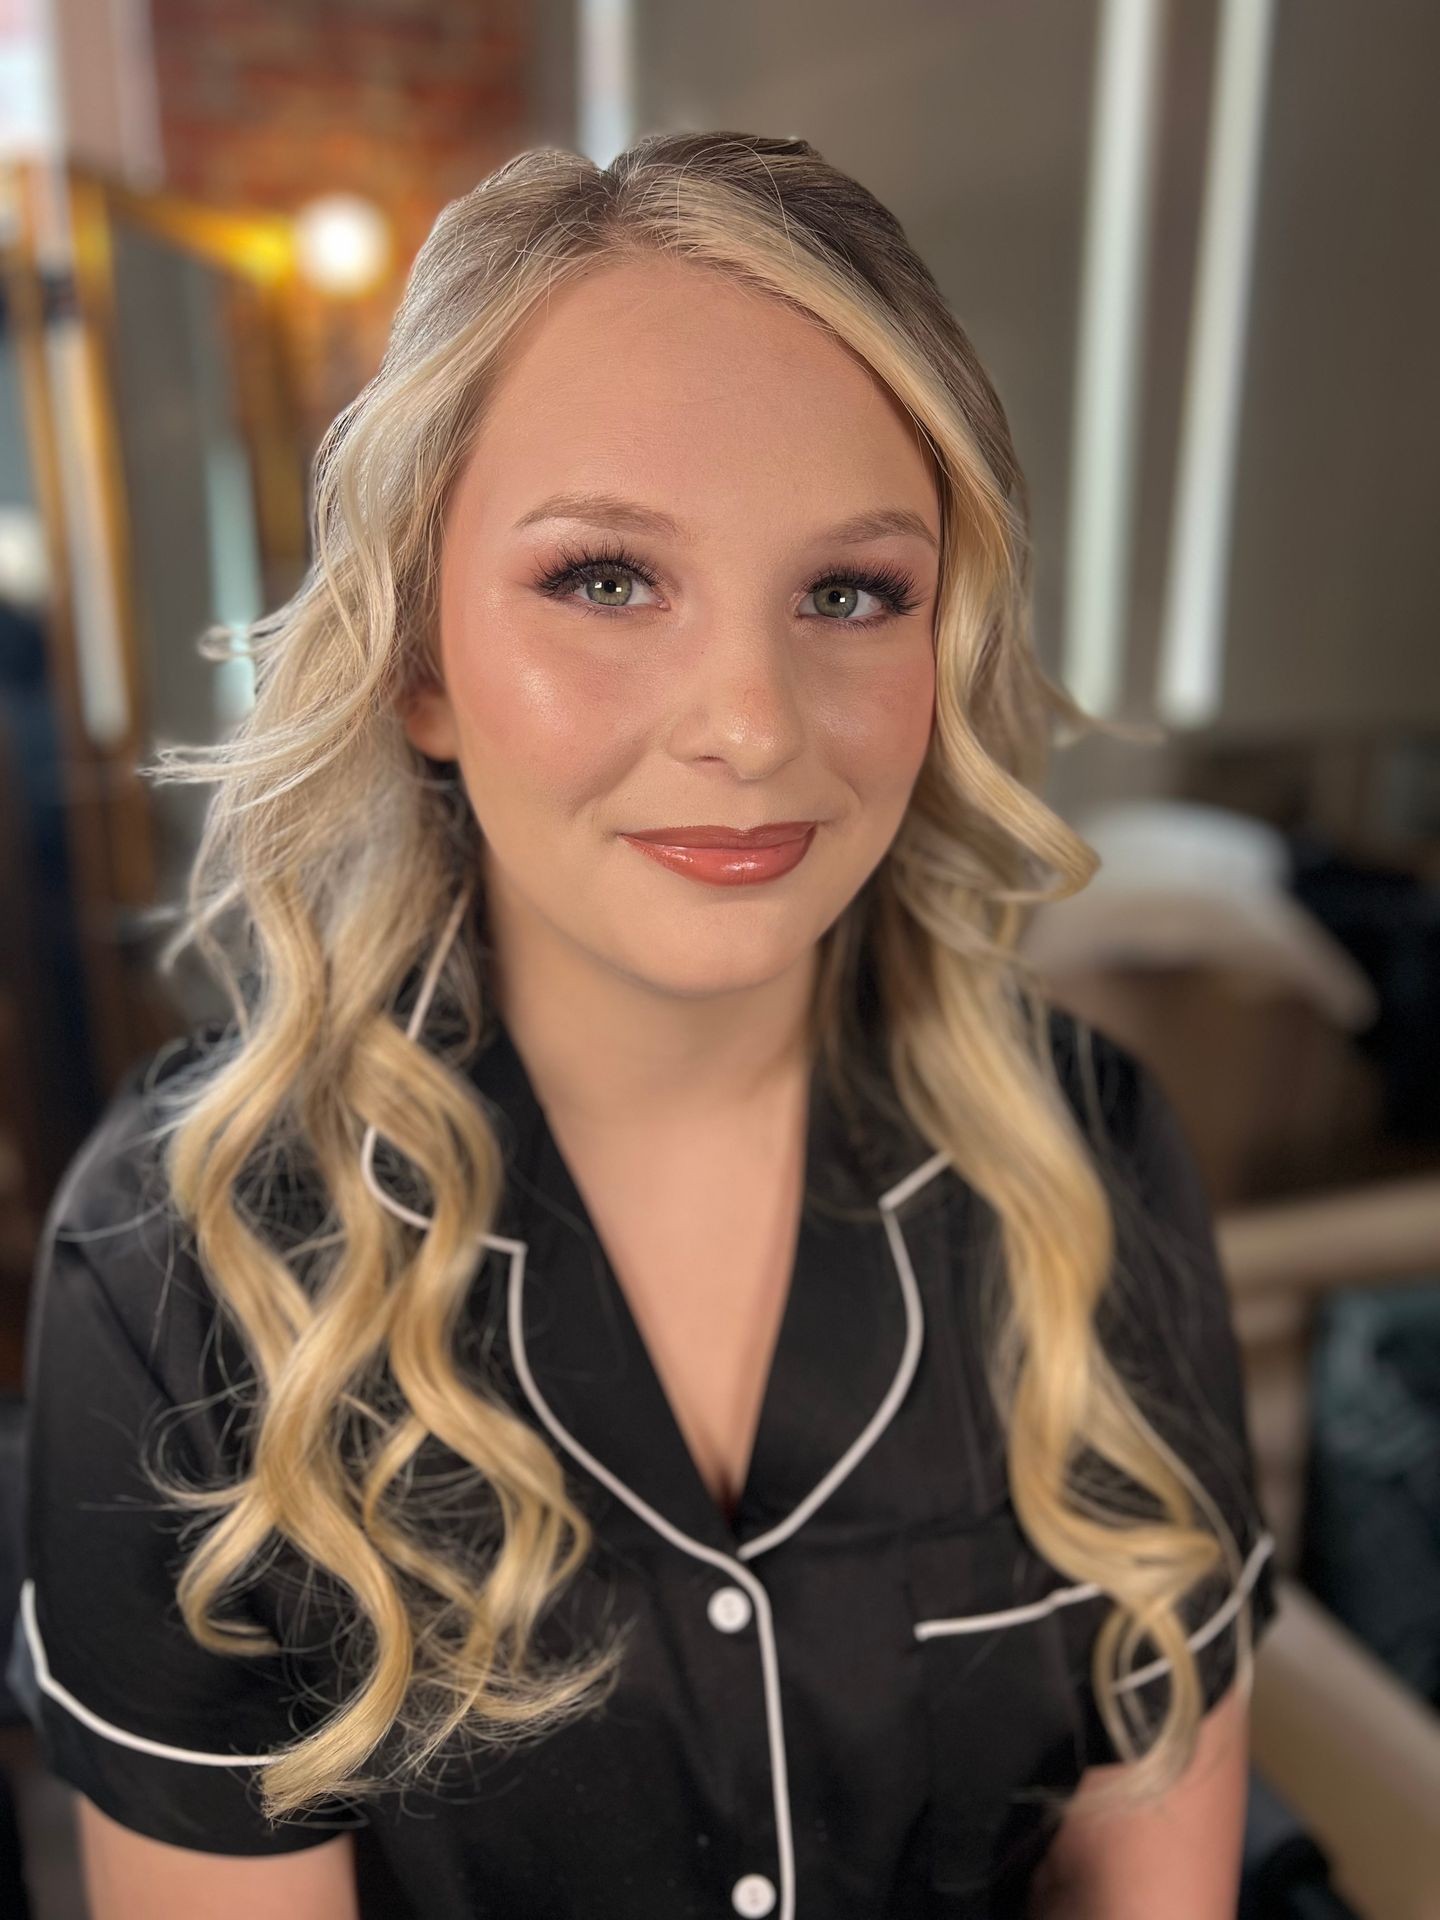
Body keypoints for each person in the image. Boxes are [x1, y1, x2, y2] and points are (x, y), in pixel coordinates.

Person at [8, 131, 1279, 1919]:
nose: (751, 723)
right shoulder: (179, 1266)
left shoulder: (1092, 1155)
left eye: (850, 593)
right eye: (606, 578)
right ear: (419, 662)